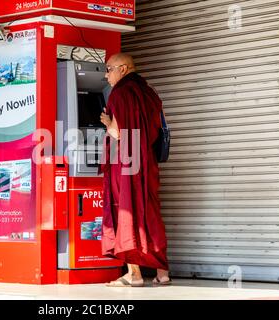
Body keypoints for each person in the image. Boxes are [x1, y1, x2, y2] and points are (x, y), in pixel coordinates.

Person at [99, 53, 170, 287]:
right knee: (150, 212)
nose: (106, 74)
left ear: (123, 68)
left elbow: (121, 134)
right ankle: (162, 273)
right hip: (147, 161)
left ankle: (135, 274)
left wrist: (108, 124)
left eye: (109, 69)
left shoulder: (120, 93)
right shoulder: (149, 93)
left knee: (126, 212)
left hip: (127, 162)